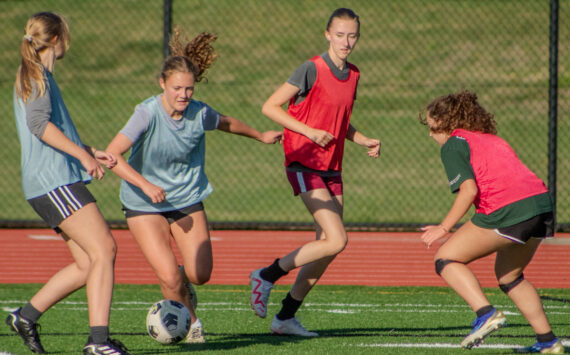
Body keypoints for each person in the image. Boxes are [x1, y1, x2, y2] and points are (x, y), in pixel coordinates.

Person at [105, 28, 282, 344]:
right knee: (170, 276)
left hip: (186, 199)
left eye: (188, 89)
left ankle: (183, 290)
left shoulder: (200, 114)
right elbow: (113, 154)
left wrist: (260, 135)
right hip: (143, 203)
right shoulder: (146, 113)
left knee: (200, 274)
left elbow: (226, 122)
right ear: (162, 84)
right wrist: (145, 185)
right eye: (176, 88)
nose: (183, 95)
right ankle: (191, 325)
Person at [249, 8, 380, 337]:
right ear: (327, 34)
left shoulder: (354, 74)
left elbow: (338, 120)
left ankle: (285, 317)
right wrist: (308, 132)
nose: (346, 42)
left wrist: (362, 139)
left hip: (332, 168)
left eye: (352, 36)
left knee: (330, 245)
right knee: (337, 238)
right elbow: (270, 106)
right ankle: (266, 274)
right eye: (339, 35)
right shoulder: (311, 68)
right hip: (303, 161)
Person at [6, 12, 130, 355]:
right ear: (58, 39)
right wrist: (82, 156)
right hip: (53, 181)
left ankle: (25, 317)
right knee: (105, 248)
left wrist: (90, 152)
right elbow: (38, 125)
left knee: (89, 262)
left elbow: (51, 129)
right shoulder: (36, 76)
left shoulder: (39, 75)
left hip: (50, 181)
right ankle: (98, 342)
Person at [418, 90, 562, 353]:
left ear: (447, 124)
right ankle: (548, 343)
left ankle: (486, 313)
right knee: (510, 277)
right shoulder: (489, 138)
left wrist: (443, 227)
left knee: (446, 259)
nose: (430, 134)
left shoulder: (454, 143)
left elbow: (469, 190)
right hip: (541, 204)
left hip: (508, 208)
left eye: (432, 127)